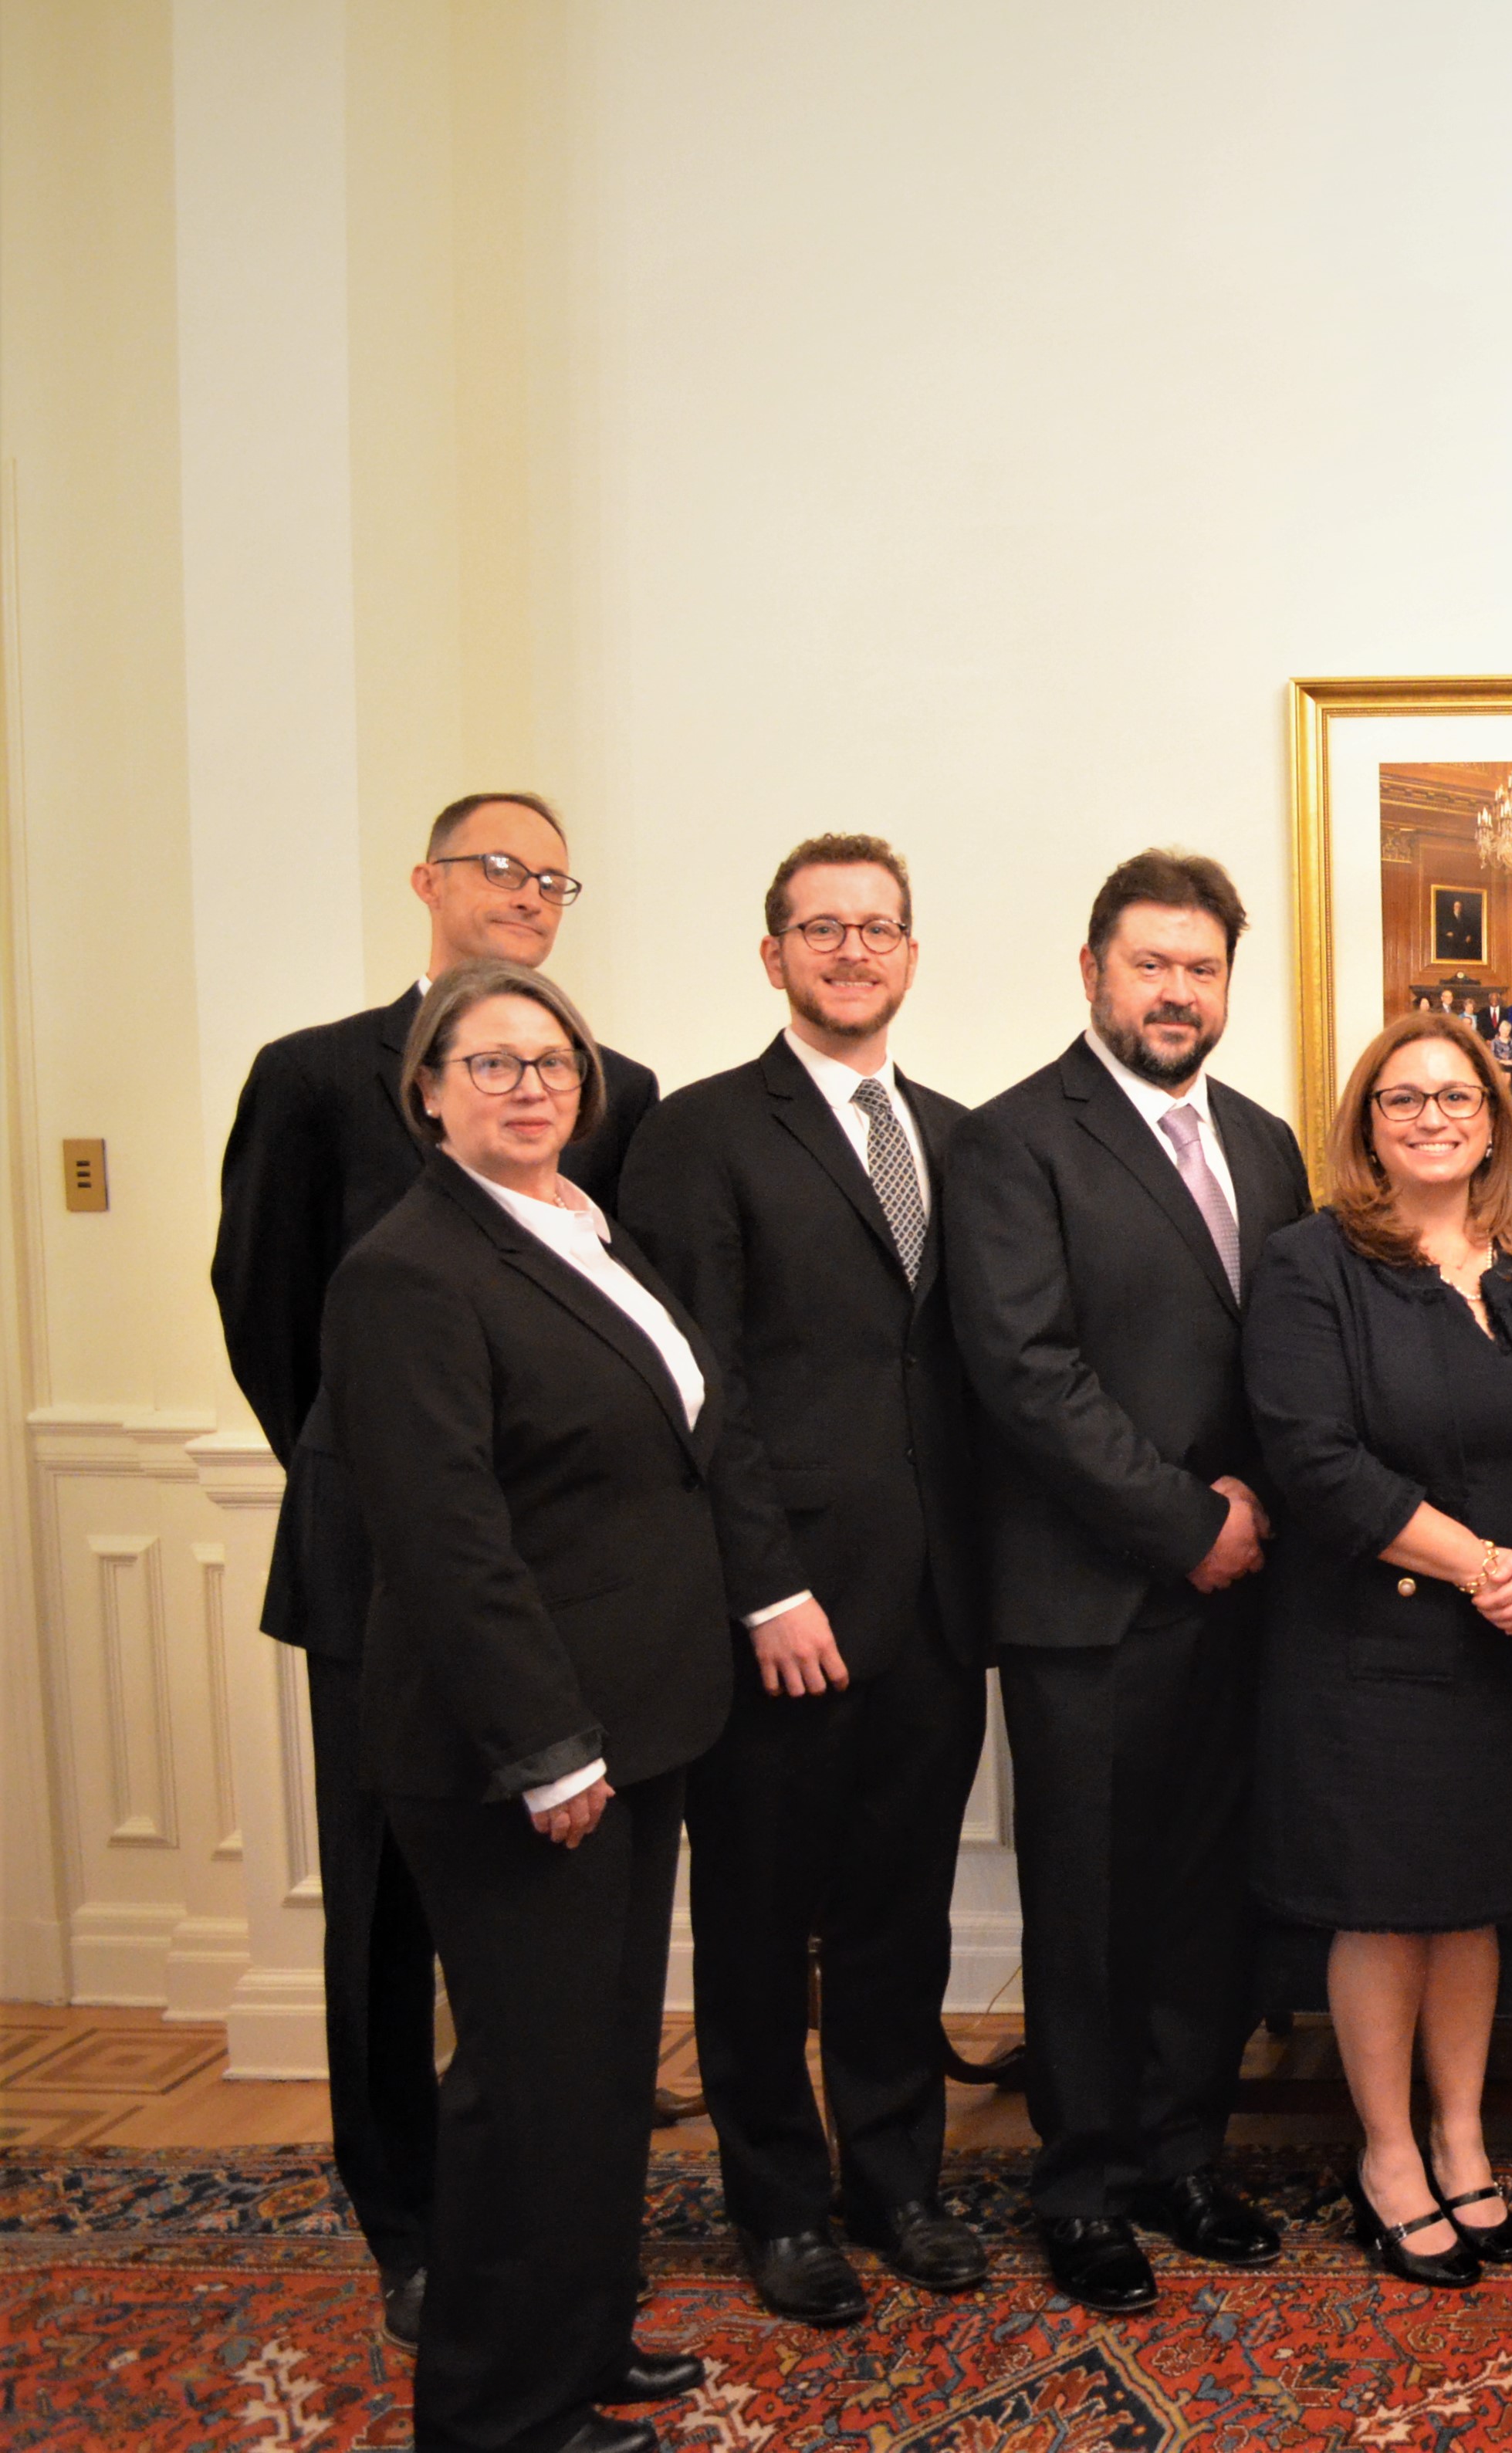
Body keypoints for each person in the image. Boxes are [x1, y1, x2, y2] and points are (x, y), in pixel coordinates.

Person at [210, 789, 661, 2353]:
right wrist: (387, 1487)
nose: (527, 893)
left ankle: (554, 2244)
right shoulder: (312, 1075)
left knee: (557, 1944)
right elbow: (267, 1311)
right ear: (426, 880)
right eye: (500, 866)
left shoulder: (614, 1090)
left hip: (569, 1584)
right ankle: (408, 2228)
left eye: (554, 878)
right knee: (387, 1915)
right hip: (376, 1578)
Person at [325, 963, 781, 2453]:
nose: (530, 1086)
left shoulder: (579, 1223)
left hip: (637, 1721)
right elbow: (444, 1535)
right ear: (429, 1089)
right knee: (523, 2089)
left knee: (593, 2071)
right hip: (519, 1749)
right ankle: (493, 2411)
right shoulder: (409, 1269)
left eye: (554, 1062)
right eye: (493, 1062)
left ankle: (577, 2335)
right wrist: (545, 1745)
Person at [613, 835, 990, 2326]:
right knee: (762, 1924)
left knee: (903, 1916)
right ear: (772, 955)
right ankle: (776, 2204)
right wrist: (764, 1588)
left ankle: (896, 2182)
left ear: (912, 954)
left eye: (877, 926)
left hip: (936, 1606)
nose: (852, 949)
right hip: (782, 1611)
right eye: (821, 927)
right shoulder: (698, 1134)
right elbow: (692, 1383)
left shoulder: (959, 1137)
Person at [945, 848, 1310, 2316]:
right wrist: (1185, 1521)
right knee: (1090, 1907)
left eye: (1200, 967)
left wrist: (1257, 1512)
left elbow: (1292, 1352)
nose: (1176, 990)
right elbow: (1026, 1373)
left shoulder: (1266, 1142)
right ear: (1092, 971)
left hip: (1244, 1594)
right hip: (1088, 1600)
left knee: (1207, 1897)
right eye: (1150, 963)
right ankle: (1083, 2185)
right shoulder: (1013, 1140)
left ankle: (1181, 2156)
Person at [1247, 1014, 1512, 2290]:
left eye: (1456, 1096)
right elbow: (1314, 1460)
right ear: (1365, 1125)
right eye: (1401, 1098)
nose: (1431, 1117)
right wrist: (1483, 1565)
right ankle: (1389, 2154)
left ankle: (1461, 2135)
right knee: (1387, 1905)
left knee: (1471, 1903)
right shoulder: (1309, 1263)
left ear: (1494, 1121)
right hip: (1372, 1642)